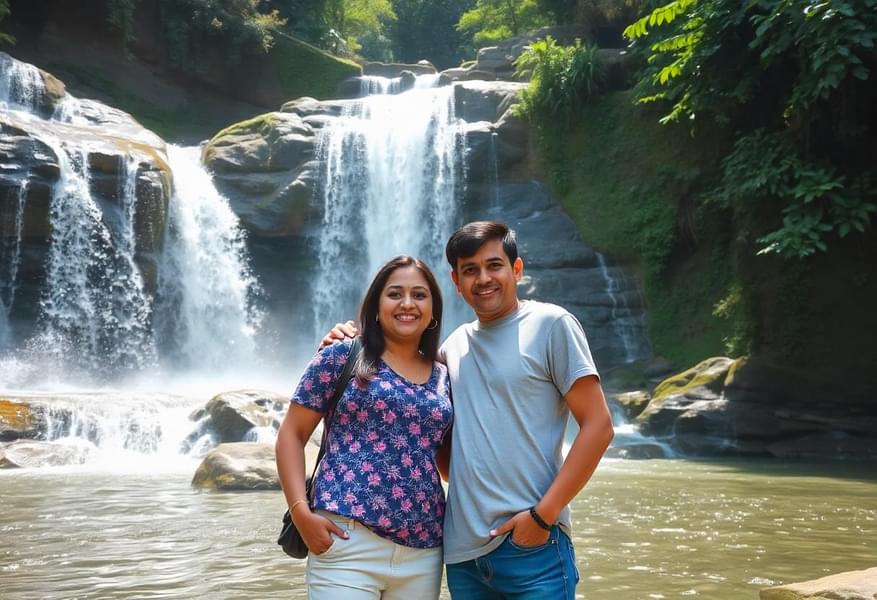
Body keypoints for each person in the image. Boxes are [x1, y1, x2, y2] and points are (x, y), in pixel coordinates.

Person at [325, 221, 615, 599]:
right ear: (456, 282)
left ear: (517, 269)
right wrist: (346, 340)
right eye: (470, 270)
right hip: (463, 555)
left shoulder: (551, 325)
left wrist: (543, 516)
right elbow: (438, 445)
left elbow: (599, 426)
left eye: (494, 265)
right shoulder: (451, 348)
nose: (483, 279)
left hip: (533, 545)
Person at [276, 255, 453, 600]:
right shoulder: (342, 356)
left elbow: (446, 465)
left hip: (424, 550)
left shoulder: (445, 375)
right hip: (346, 539)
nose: (407, 303)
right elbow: (291, 435)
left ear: (433, 309)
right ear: (375, 305)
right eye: (394, 294)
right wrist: (301, 513)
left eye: (419, 295)